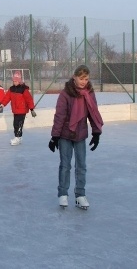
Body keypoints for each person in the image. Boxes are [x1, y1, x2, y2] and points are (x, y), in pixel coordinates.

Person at [49, 65, 103, 210]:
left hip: (80, 134)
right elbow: (59, 116)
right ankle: (63, 194)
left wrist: (96, 132)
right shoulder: (65, 93)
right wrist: (54, 136)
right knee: (65, 165)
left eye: (86, 79)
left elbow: (93, 112)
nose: (84, 81)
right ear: (74, 77)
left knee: (81, 166)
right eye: (81, 78)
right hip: (65, 135)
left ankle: (80, 195)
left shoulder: (89, 93)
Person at [0, 71, 36, 146]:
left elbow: (29, 99)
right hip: (15, 110)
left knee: (19, 124)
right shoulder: (11, 89)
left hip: (22, 110)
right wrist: (2, 105)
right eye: (13, 81)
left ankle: (17, 137)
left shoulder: (23, 89)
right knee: (15, 124)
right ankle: (18, 137)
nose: (14, 82)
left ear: (19, 81)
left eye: (16, 81)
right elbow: (7, 97)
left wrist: (32, 109)